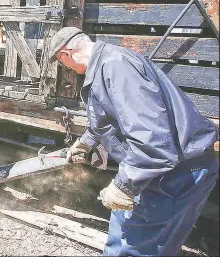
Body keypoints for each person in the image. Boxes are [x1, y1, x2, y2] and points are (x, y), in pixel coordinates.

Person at [50, 26, 219, 256]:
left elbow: (153, 140)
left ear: (66, 55)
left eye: (62, 63)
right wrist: (88, 141)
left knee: (138, 248)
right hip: (150, 167)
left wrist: (123, 185)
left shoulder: (116, 66)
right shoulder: (106, 64)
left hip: (179, 171)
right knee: (120, 238)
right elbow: (115, 116)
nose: (66, 68)